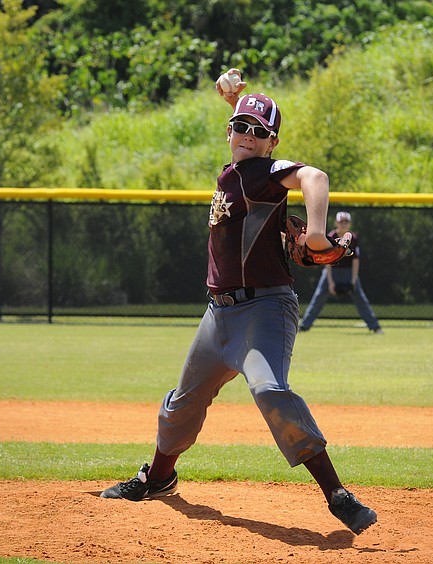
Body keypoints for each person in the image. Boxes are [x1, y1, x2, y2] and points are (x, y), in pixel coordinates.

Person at [99, 69, 377, 535]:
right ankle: (159, 476)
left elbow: (315, 175)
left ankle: (337, 494)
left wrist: (312, 228)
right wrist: (237, 103)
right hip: (218, 315)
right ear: (230, 131)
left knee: (269, 390)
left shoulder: (260, 172)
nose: (247, 136)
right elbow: (245, 147)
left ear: (272, 143)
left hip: (264, 310)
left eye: (259, 132)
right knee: (181, 404)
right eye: (240, 128)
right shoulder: (239, 170)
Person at [299, 211, 384, 333]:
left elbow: (355, 260)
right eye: (341, 222)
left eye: (346, 222)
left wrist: (354, 280)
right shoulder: (331, 236)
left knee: (360, 299)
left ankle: (375, 327)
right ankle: (304, 326)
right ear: (336, 223)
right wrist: (330, 282)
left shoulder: (353, 238)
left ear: (349, 224)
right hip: (331, 271)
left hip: (349, 272)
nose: (343, 225)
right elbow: (327, 261)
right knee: (318, 297)